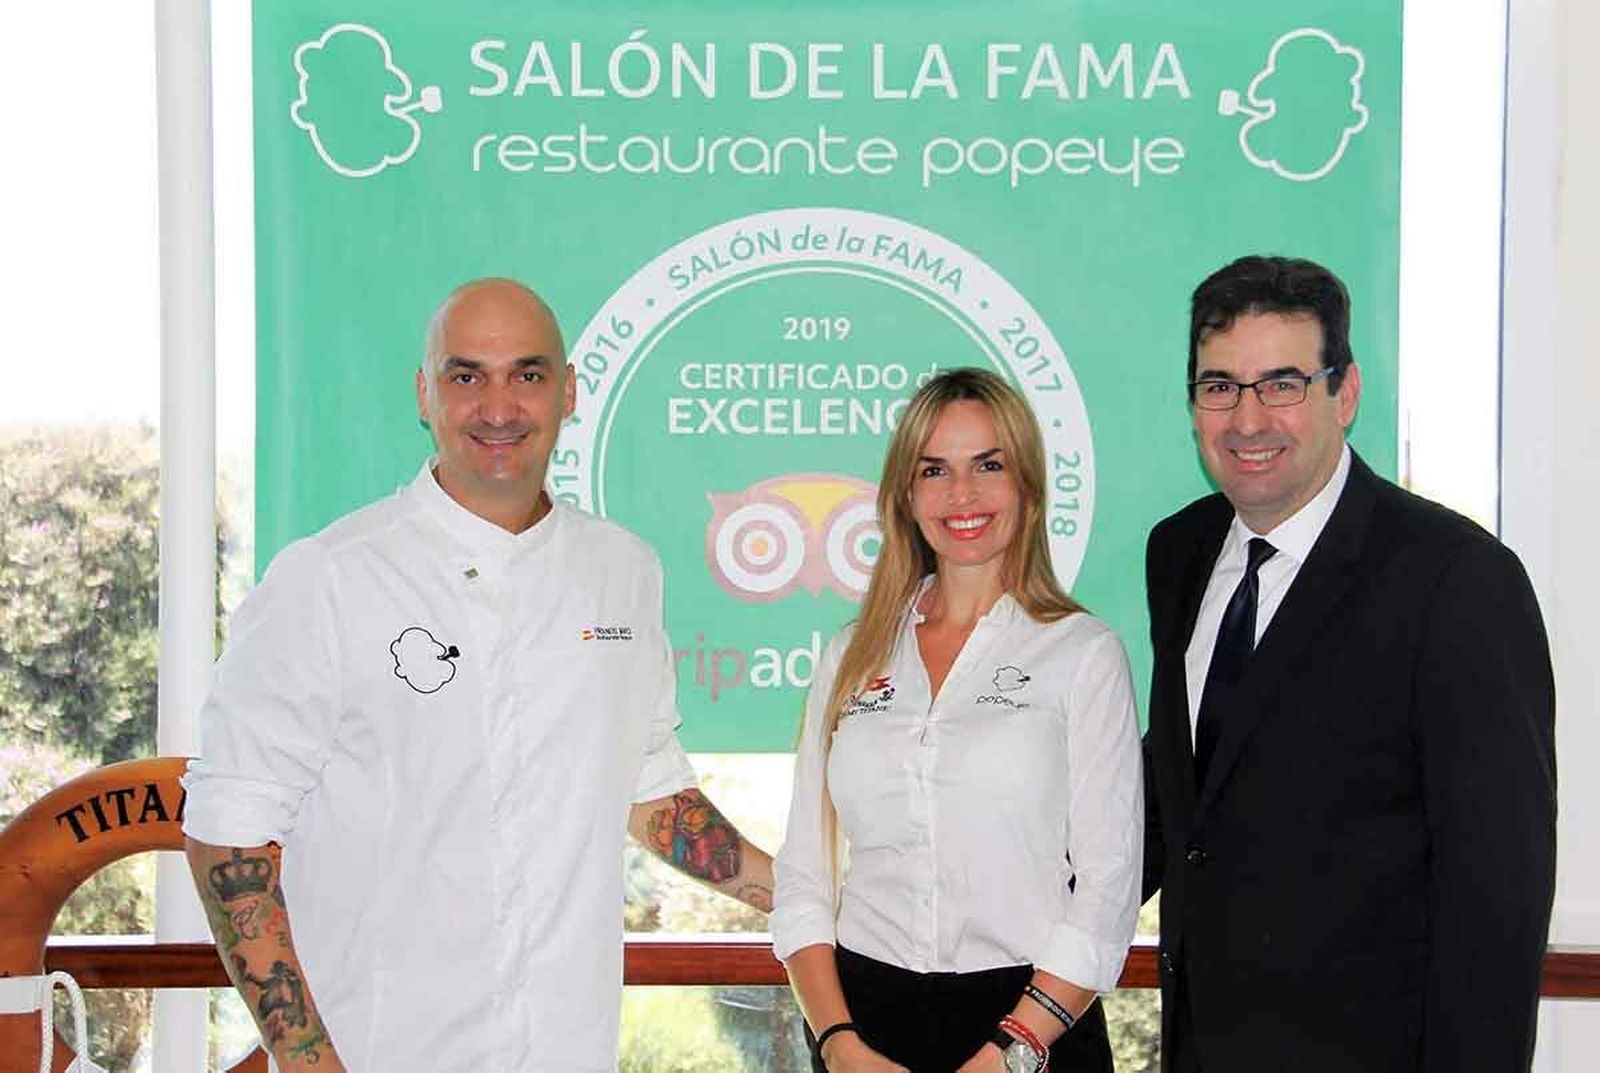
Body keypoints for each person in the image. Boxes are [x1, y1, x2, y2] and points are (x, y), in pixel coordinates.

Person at [182, 278, 774, 1072]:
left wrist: (812, 897)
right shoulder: (327, 578)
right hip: (380, 1051)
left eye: (527, 375)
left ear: (568, 393)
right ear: (426, 394)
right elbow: (228, 830)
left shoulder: (623, 569)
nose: (499, 407)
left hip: (569, 1050)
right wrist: (309, 1061)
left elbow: (651, 789)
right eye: (467, 376)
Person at [1141, 255, 1557, 1072]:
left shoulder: (1457, 579)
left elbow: (1498, 895)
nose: (1247, 418)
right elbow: (1181, 802)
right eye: (1220, 385)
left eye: (1282, 383)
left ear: (1347, 393)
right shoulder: (1179, 552)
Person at [772, 368, 1143, 1073]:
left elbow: (1107, 890)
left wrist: (1009, 1054)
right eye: (934, 469)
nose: (962, 494)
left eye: (989, 465)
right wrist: (837, 1043)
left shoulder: (1083, 653)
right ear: (905, 496)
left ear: (1027, 487)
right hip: (863, 1030)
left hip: (1033, 1029)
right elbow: (804, 878)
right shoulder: (851, 654)